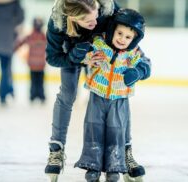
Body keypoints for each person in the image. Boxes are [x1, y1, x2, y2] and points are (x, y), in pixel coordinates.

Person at [44, 0, 151, 181]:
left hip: (102, 50)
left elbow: (128, 32)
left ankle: (125, 152)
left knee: (119, 97)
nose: (95, 23)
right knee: (67, 94)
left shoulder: (108, 8)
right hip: (73, 54)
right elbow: (53, 57)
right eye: (88, 21)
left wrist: (138, 68)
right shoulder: (58, 22)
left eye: (97, 17)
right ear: (72, 18)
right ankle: (56, 150)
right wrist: (80, 59)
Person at [74, 8, 149, 182]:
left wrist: (137, 72)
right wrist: (82, 53)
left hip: (119, 99)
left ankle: (114, 167)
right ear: (112, 30)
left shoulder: (133, 53)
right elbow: (83, 55)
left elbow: (146, 65)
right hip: (97, 96)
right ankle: (92, 166)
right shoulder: (100, 44)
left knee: (116, 132)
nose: (122, 39)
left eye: (128, 37)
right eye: (120, 33)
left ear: (134, 39)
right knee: (94, 130)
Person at [0, 0, 24, 105]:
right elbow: (20, 17)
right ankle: (3, 95)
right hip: (7, 40)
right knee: (5, 70)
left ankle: (8, 91)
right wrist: (11, 23)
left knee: (5, 70)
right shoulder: (14, 2)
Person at [14, 17, 47, 103]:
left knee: (35, 81)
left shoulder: (32, 35)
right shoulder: (43, 36)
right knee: (39, 81)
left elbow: (20, 43)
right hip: (39, 64)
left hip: (34, 63)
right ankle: (40, 96)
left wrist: (14, 48)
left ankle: (34, 96)